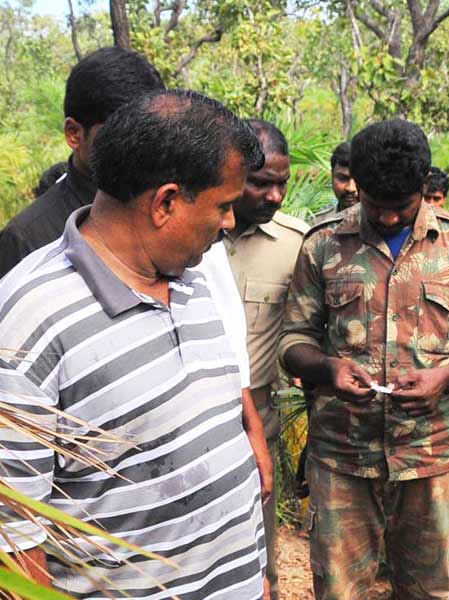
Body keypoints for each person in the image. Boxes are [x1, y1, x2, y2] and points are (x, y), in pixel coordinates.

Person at [0, 90, 272, 598]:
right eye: (224, 206)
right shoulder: (28, 320)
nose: (231, 223)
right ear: (166, 202)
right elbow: (15, 540)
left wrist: (257, 576)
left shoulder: (194, 273)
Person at [279, 119, 449, 600]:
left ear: (425, 186)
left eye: (399, 207)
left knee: (425, 590)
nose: (384, 219)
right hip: (342, 455)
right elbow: (294, 340)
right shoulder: (322, 243)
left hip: (431, 455)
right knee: (339, 591)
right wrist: (328, 369)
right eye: (374, 206)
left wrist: (445, 377)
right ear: (356, 186)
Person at [224, 118, 309, 600]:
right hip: (191, 413)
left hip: (260, 415)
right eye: (260, 183)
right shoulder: (186, 237)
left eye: (282, 183)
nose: (274, 196)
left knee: (260, 554)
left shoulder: (297, 246)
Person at [0, 47, 164, 278]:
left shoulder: (170, 205)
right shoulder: (27, 239)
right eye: (122, 134)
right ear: (74, 133)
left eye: (151, 132)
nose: (141, 147)